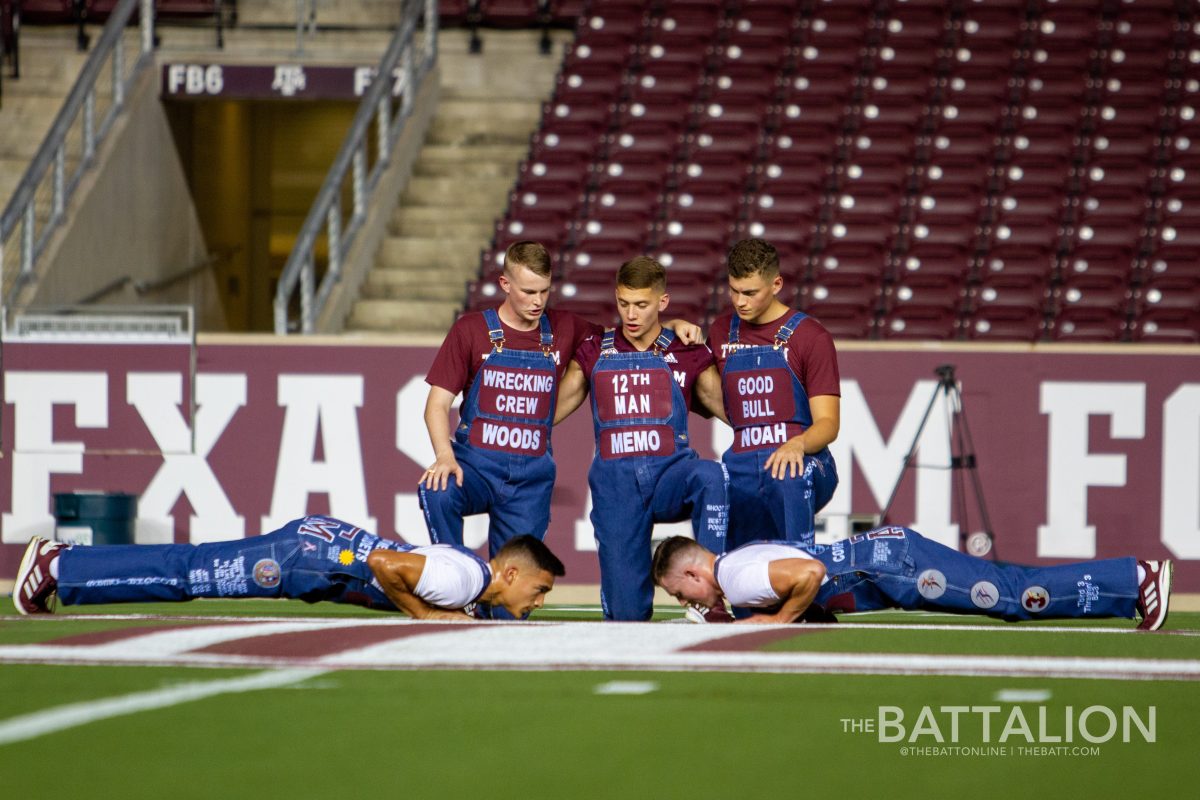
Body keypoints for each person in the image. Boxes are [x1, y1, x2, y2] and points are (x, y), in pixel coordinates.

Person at [419, 241, 699, 618]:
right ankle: (455, 591)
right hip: (476, 466)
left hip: (529, 481)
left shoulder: (567, 327)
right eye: (528, 292)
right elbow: (436, 405)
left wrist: (675, 326)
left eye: (544, 291)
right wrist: (444, 456)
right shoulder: (471, 330)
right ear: (504, 283)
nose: (537, 301)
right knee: (437, 490)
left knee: (510, 611)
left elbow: (629, 333)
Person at [553, 256, 729, 621]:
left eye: (642, 305)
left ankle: (711, 595)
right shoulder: (593, 350)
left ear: (662, 303)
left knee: (712, 477)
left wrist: (793, 440)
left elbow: (738, 416)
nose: (630, 314)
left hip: (672, 475)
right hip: (616, 489)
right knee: (626, 616)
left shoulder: (688, 351)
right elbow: (548, 413)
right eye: (623, 303)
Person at [12, 514, 565, 621]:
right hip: (304, 558)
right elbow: (383, 562)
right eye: (539, 591)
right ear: (510, 574)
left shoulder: (470, 576)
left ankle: (65, 568)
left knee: (189, 570)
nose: (538, 604)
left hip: (319, 551)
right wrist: (425, 616)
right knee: (188, 573)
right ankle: (60, 565)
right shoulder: (466, 579)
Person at [651, 526, 1174, 631]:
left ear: (695, 572)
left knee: (1017, 597)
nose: (685, 599)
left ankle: (1136, 577)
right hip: (891, 556)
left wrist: (778, 622)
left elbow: (809, 573)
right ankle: (1128, 587)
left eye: (681, 592)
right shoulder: (740, 559)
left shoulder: (738, 578)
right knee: (1013, 586)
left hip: (896, 568)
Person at [707, 238, 840, 550]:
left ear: (776, 284)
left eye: (750, 293)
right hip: (744, 459)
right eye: (733, 290)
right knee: (714, 485)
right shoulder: (720, 330)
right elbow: (702, 387)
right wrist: (674, 327)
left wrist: (798, 444)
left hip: (805, 460)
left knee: (788, 476)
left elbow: (829, 423)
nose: (740, 301)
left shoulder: (811, 336)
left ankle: (802, 574)